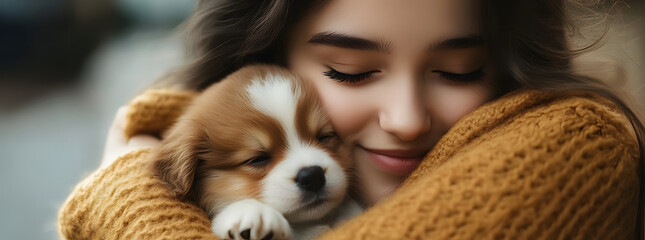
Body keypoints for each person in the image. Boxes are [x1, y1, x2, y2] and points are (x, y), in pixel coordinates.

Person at [59, 0, 645, 239]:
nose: (408, 119)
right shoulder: (197, 141)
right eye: (349, 70)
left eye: (461, 69)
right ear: (269, 56)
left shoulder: (573, 144)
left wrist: (124, 191)